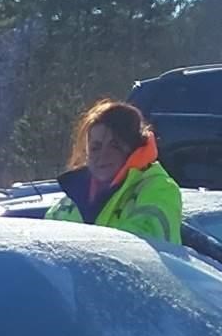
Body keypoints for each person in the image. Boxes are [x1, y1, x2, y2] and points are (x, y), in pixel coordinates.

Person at [50, 100, 183, 245]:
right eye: (95, 147)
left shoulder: (159, 190)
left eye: (114, 146)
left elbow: (139, 252)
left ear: (132, 149)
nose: (103, 155)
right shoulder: (69, 202)